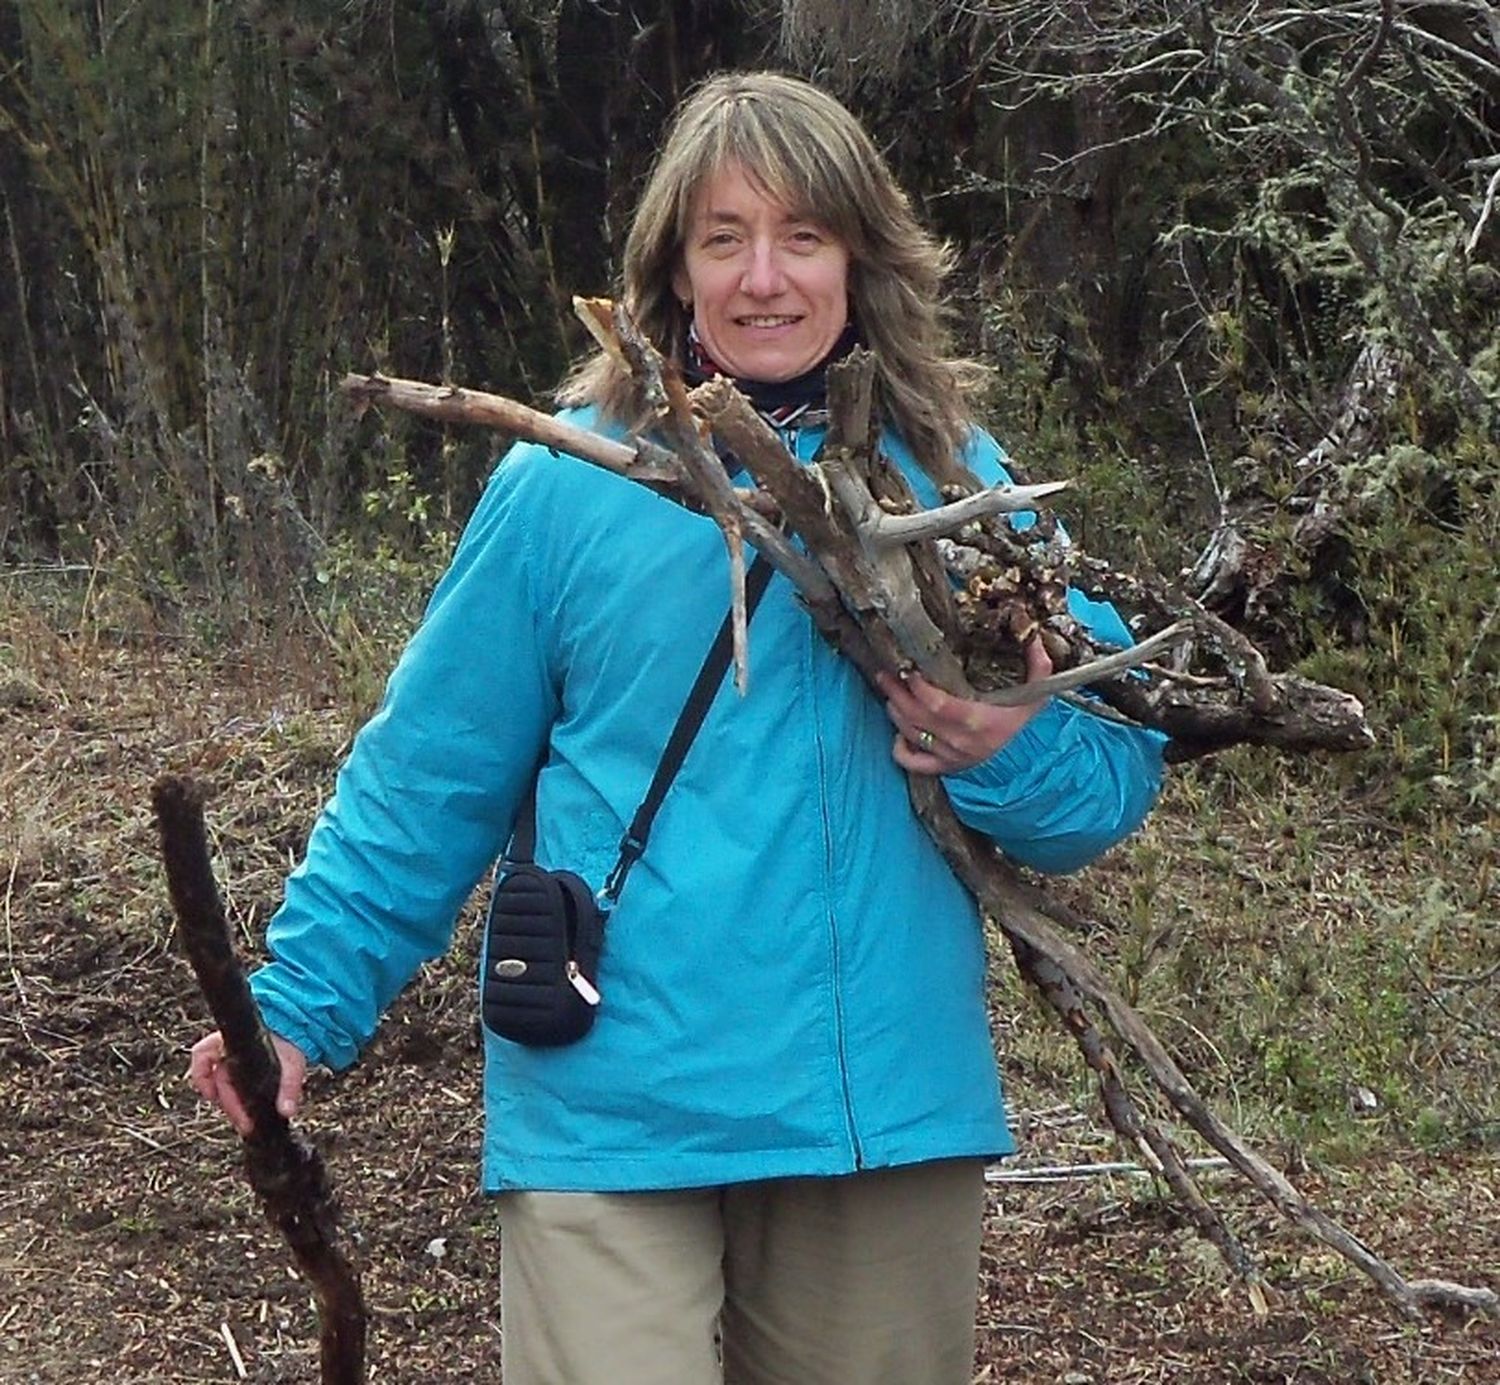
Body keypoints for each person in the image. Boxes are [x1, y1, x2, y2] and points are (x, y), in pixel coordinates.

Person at [190, 70, 1165, 1384]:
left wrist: (1007, 744)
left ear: (861, 259)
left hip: (875, 1116)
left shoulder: (966, 491)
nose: (766, 278)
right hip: (610, 1113)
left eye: (802, 236)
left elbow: (1108, 779)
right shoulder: (566, 485)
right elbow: (427, 779)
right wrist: (295, 1010)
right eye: (726, 239)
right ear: (672, 270)